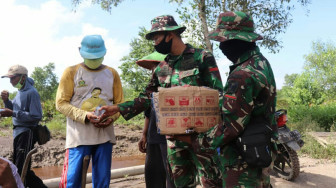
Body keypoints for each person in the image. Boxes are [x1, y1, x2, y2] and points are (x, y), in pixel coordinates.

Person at [94, 15, 224, 187]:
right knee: (180, 184)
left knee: (213, 183)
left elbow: (218, 95)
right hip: (175, 140)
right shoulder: (161, 68)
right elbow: (147, 97)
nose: (155, 43)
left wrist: (218, 133)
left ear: (170, 35)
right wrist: (117, 108)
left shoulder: (202, 57)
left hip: (201, 137)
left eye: (156, 38)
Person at [192, 11, 277, 187]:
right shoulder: (261, 63)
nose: (222, 47)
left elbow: (230, 127)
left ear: (238, 40)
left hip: (242, 161)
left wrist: (196, 141)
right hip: (260, 149)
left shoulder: (242, 74)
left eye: (224, 41)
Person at [56, 34, 124, 188]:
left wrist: (111, 118)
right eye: (90, 57)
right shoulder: (71, 72)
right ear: (80, 52)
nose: (94, 60)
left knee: (102, 181)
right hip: (79, 137)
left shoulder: (112, 73)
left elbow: (120, 104)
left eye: (97, 57)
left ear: (104, 53)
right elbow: (60, 103)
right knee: (72, 181)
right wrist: (85, 115)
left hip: (104, 136)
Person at [0, 65, 47, 188]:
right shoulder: (20, 92)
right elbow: (14, 109)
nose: (11, 82)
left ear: (23, 78)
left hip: (27, 133)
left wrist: (13, 113)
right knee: (20, 167)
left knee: (22, 168)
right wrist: (6, 101)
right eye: (9, 79)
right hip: (19, 133)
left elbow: (36, 116)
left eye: (13, 78)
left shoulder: (32, 92)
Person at [136, 51, 175, 188]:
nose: (154, 70)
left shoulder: (174, 85)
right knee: (153, 173)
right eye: (152, 67)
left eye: (156, 66)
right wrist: (144, 134)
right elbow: (148, 112)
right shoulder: (152, 88)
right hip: (153, 135)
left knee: (171, 175)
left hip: (169, 135)